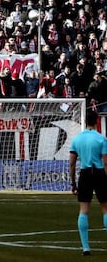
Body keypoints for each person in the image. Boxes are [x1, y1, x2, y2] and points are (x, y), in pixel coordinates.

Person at [69, 110, 107, 256]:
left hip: (85, 173)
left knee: (84, 210)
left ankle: (85, 247)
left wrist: (73, 184)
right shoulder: (101, 139)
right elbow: (105, 162)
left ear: (85, 122)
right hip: (99, 173)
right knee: (105, 208)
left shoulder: (76, 139)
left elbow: (72, 164)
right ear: (96, 121)